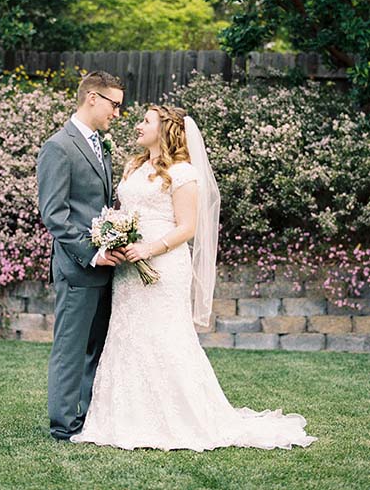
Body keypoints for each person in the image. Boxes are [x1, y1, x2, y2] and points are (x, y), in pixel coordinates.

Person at [70, 104, 318, 451]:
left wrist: (148, 249)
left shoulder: (184, 173)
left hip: (164, 265)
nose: (138, 125)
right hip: (128, 267)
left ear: (166, 130)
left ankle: (180, 417)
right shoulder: (134, 165)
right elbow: (124, 212)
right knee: (128, 333)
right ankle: (122, 418)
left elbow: (187, 227)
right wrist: (115, 235)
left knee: (165, 336)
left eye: (146, 121)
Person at [37, 70, 126, 441]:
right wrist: (91, 254)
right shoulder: (58, 147)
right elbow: (53, 215)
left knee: (97, 349)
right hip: (78, 269)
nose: (118, 114)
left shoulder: (100, 145)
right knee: (70, 350)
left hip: (107, 270)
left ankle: (88, 416)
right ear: (93, 97)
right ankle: (63, 424)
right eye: (114, 105)